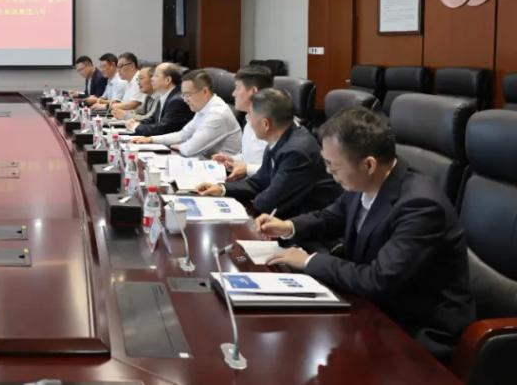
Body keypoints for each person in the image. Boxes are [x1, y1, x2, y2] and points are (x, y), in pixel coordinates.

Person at [257, 108, 474, 360]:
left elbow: (378, 280)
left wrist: (308, 261)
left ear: (368, 164)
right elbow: (331, 216)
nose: (328, 172)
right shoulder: (366, 180)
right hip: (374, 306)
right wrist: (288, 226)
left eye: (332, 166)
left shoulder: (420, 206)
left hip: (415, 329)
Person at [197, 88, 340, 218]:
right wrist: (222, 189)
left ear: (266, 124)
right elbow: (258, 183)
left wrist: (247, 202)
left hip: (304, 225)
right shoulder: (280, 137)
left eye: (250, 115)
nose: (248, 120)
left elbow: (269, 202)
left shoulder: (296, 152)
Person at [132, 69, 241, 158]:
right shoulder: (203, 107)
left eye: (188, 95)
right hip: (204, 162)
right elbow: (183, 134)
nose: (185, 100)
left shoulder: (217, 114)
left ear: (205, 91)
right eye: (183, 95)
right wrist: (151, 139)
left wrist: (180, 146)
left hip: (224, 171)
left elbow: (189, 149)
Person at [212, 65, 273, 181]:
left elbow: (276, 169)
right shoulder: (249, 119)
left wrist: (247, 168)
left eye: (237, 88)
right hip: (247, 183)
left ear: (253, 91)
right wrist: (231, 159)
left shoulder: (272, 125)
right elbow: (250, 157)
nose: (233, 94)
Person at [129, 62, 193, 136]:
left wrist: (136, 127)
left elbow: (163, 129)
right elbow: (153, 119)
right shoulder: (164, 96)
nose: (152, 79)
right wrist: (137, 123)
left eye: (156, 76)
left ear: (168, 80)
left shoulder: (177, 101)